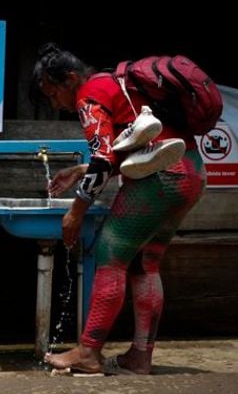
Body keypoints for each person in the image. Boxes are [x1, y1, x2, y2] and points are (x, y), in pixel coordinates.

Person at [31, 43, 206, 374]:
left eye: (53, 94)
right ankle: (140, 355)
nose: (56, 104)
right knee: (145, 264)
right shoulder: (117, 83)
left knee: (110, 257)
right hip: (191, 172)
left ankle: (89, 352)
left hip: (159, 178)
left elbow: (102, 159)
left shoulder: (88, 95)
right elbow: (128, 152)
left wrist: (76, 212)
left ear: (70, 79)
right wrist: (81, 171)